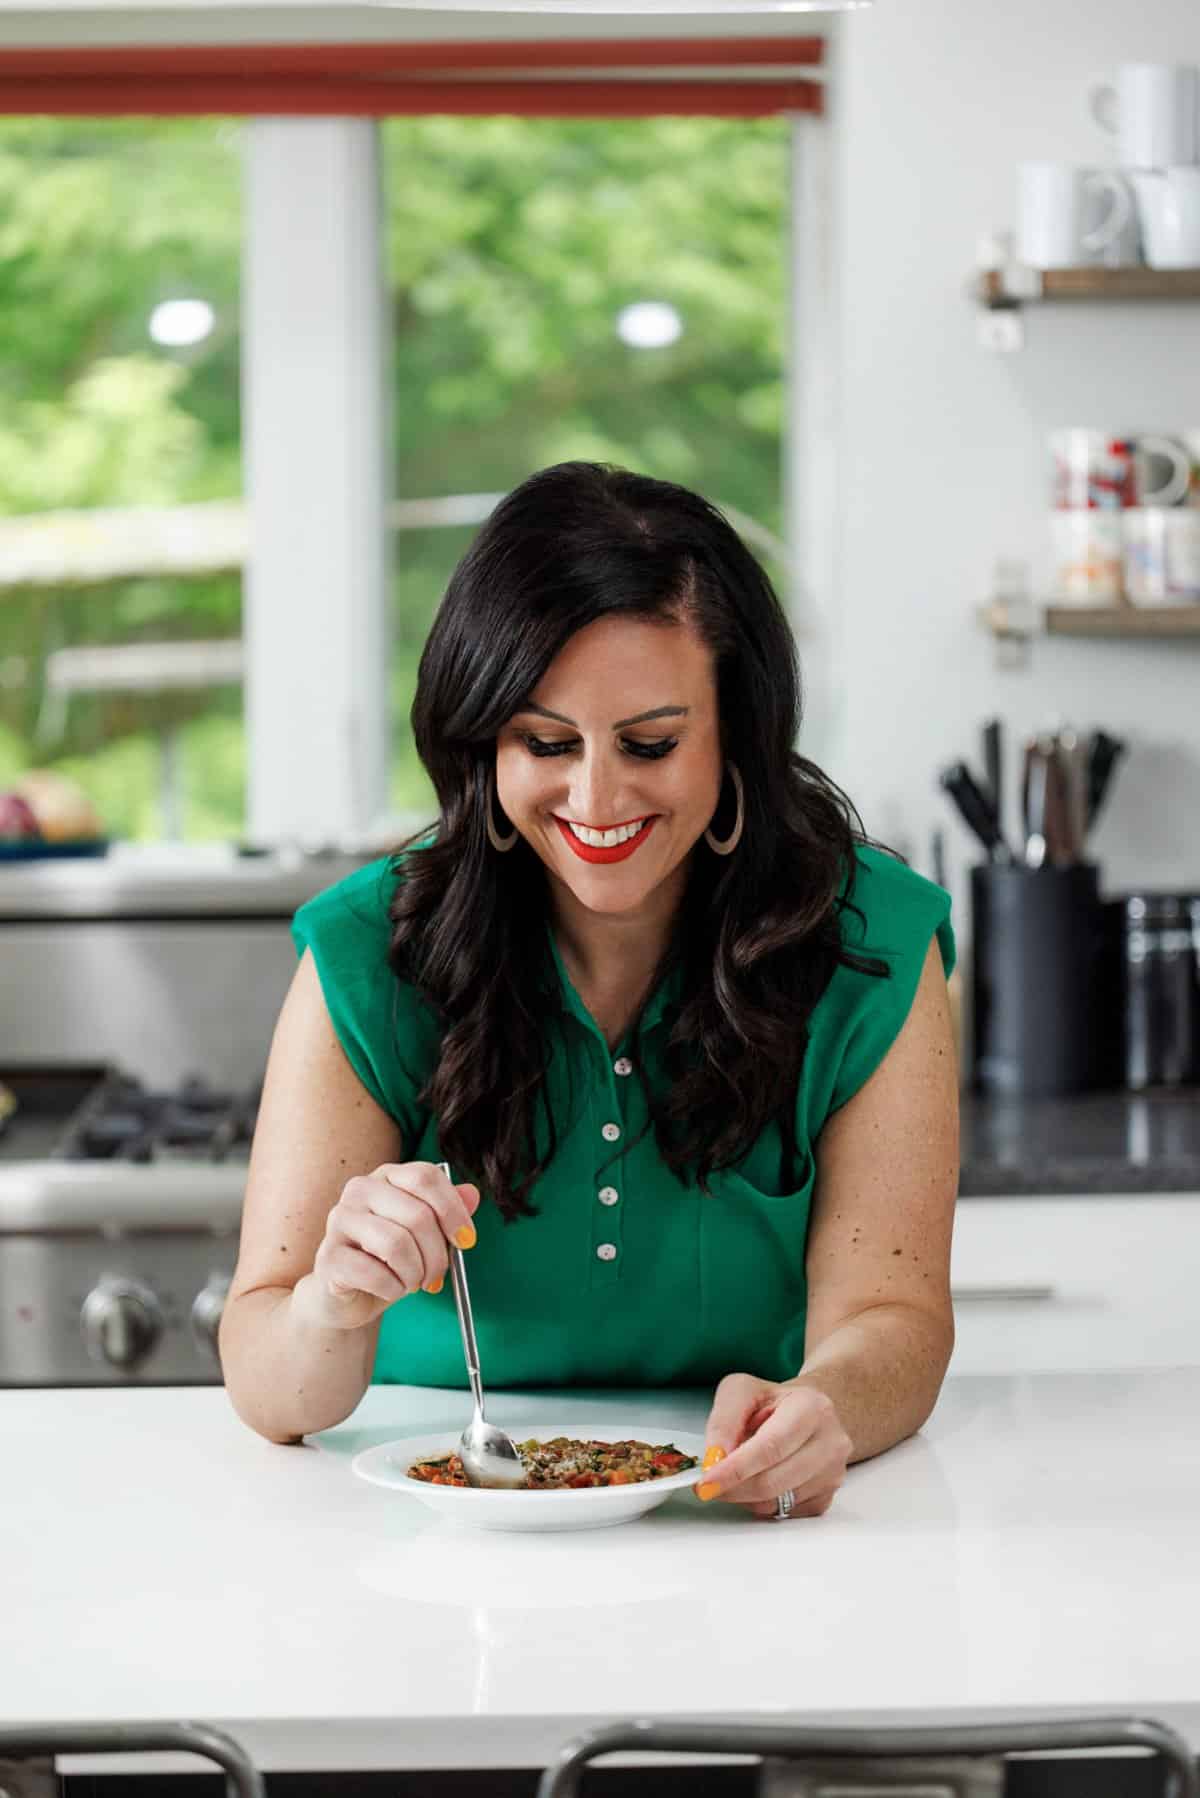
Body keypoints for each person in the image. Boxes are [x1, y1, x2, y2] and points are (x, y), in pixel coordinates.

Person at [220, 461, 959, 1524]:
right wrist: (334, 1301)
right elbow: (269, 1386)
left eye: (651, 743)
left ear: (736, 732)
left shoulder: (870, 941)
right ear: (482, 742)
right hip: (422, 1531)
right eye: (545, 743)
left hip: (750, 1528)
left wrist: (823, 1406)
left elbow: (895, 1317)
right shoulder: (367, 946)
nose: (597, 797)